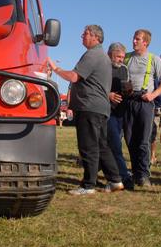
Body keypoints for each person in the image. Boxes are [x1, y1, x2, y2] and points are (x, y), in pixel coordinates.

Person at [48, 25, 124, 195]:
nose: (82, 36)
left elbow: (74, 76)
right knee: (101, 145)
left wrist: (55, 69)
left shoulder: (93, 54)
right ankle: (115, 180)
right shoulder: (101, 55)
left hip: (89, 107)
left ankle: (88, 186)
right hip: (100, 108)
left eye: (86, 34)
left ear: (96, 37)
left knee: (88, 146)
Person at [123, 29, 161, 188]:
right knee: (130, 139)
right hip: (129, 101)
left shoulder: (154, 59)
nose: (134, 41)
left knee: (143, 140)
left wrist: (153, 95)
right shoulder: (127, 57)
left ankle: (143, 175)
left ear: (145, 42)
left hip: (145, 102)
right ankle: (136, 171)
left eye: (137, 39)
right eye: (134, 38)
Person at [106, 42, 132, 187]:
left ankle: (99, 174)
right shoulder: (103, 66)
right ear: (110, 55)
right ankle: (123, 176)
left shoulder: (124, 69)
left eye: (122, 57)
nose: (121, 59)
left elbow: (127, 86)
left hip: (120, 112)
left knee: (109, 144)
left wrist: (129, 91)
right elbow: (94, 86)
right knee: (115, 144)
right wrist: (108, 94)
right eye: (118, 56)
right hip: (106, 111)